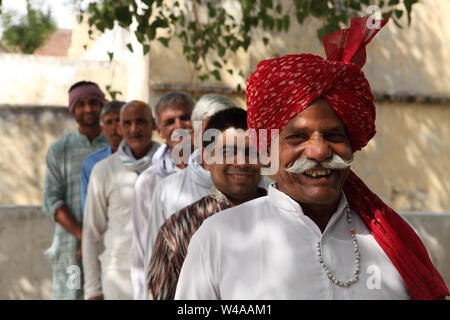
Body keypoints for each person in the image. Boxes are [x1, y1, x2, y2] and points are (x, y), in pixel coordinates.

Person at [175, 17, 449, 300]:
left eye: (333, 136)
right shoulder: (220, 238)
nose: (319, 151)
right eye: (297, 138)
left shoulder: (393, 243)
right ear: (268, 149)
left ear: (352, 145)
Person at [147, 107, 266, 300]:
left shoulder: (289, 215)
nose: (242, 162)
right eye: (228, 152)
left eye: (251, 152)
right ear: (207, 158)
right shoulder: (178, 230)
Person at [141, 94, 238, 299]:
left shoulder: (261, 187)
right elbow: (155, 262)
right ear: (194, 135)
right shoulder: (169, 190)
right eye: (211, 131)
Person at [82, 100, 160, 300]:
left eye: (141, 121)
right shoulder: (103, 170)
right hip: (118, 280)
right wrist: (93, 290)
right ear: (119, 127)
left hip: (162, 278)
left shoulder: (167, 167)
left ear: (154, 124)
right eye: (127, 123)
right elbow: (91, 232)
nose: (134, 129)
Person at [42, 81, 109, 300]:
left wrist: (96, 241)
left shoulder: (115, 147)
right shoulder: (60, 149)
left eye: (93, 103)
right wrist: (84, 237)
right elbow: (51, 199)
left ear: (102, 105)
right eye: (81, 104)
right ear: (73, 109)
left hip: (110, 246)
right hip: (70, 248)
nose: (88, 109)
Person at [131, 92, 194, 300]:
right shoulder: (148, 183)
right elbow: (142, 251)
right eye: (169, 122)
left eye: (185, 117)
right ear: (159, 130)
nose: (179, 126)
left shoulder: (215, 172)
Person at [80, 100, 125, 214]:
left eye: (118, 120)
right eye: (109, 122)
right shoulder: (92, 163)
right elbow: (89, 208)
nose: (115, 127)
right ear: (103, 129)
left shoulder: (143, 157)